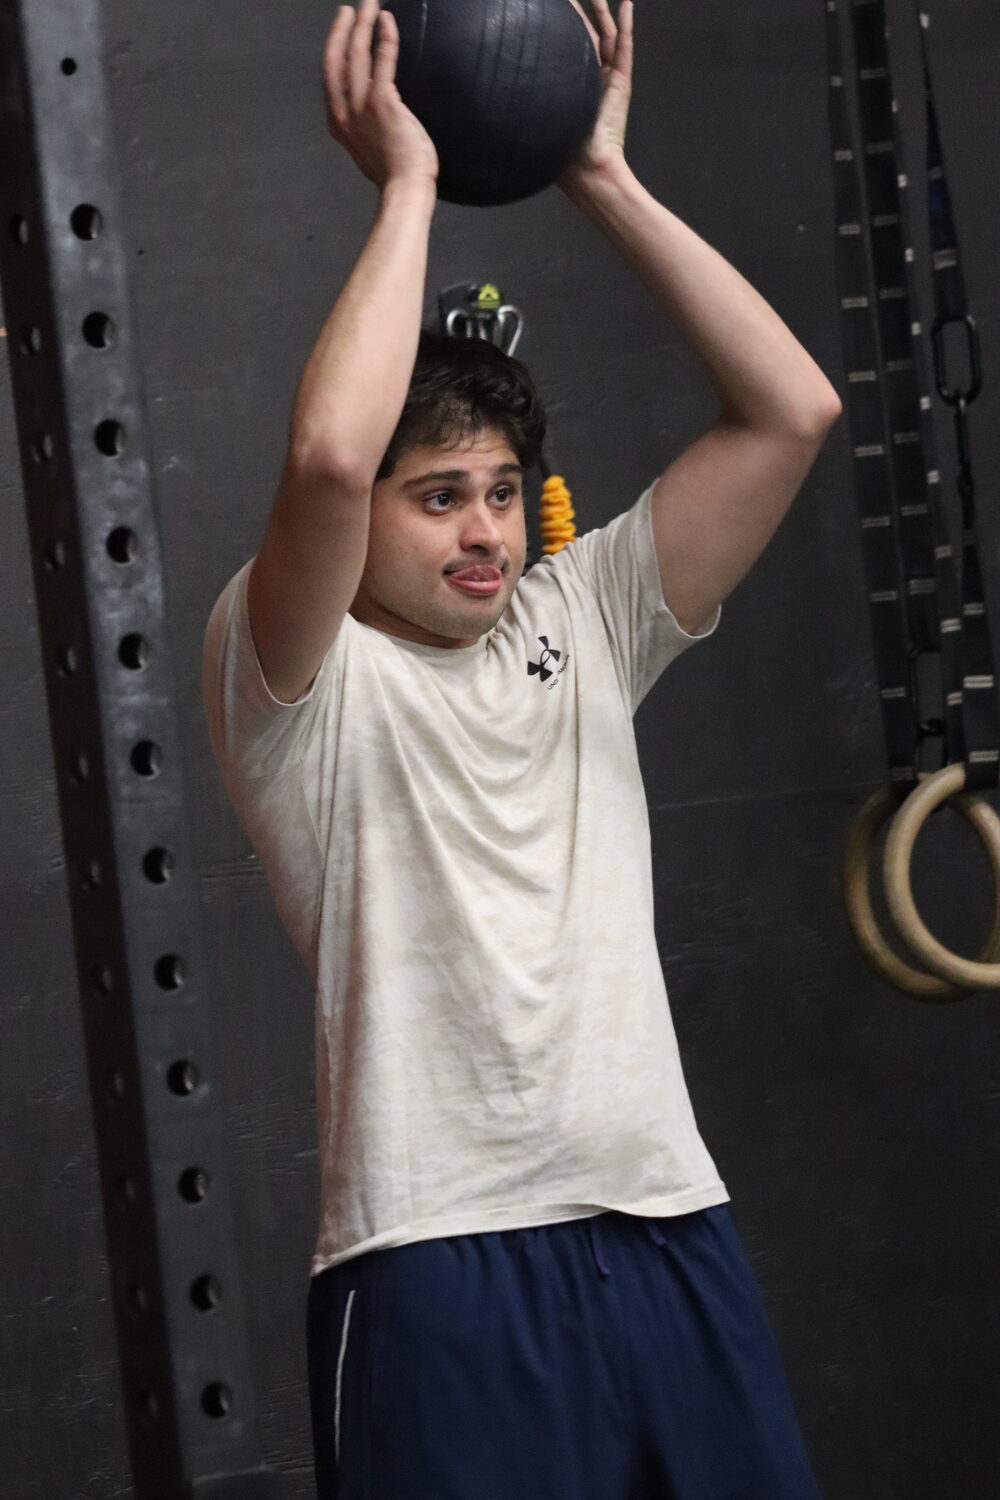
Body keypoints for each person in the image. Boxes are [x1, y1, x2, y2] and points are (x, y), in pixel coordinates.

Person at [202, 2, 842, 1495]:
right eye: (436, 497)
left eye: (501, 490)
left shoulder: (591, 621)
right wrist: (410, 185)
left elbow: (793, 411)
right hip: (437, 1258)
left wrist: (601, 175)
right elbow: (321, 459)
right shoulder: (299, 674)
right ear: (370, 517)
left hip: (666, 1220)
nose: (486, 529)